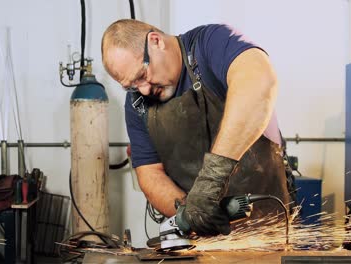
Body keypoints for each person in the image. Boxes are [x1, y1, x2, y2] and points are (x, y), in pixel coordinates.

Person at [101, 19, 293, 236]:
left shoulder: (211, 44)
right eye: (131, 86)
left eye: (142, 76)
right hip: (202, 239)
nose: (143, 90)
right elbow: (150, 173)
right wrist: (191, 212)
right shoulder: (137, 104)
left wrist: (212, 179)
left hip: (269, 230)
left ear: (155, 42)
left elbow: (259, 81)